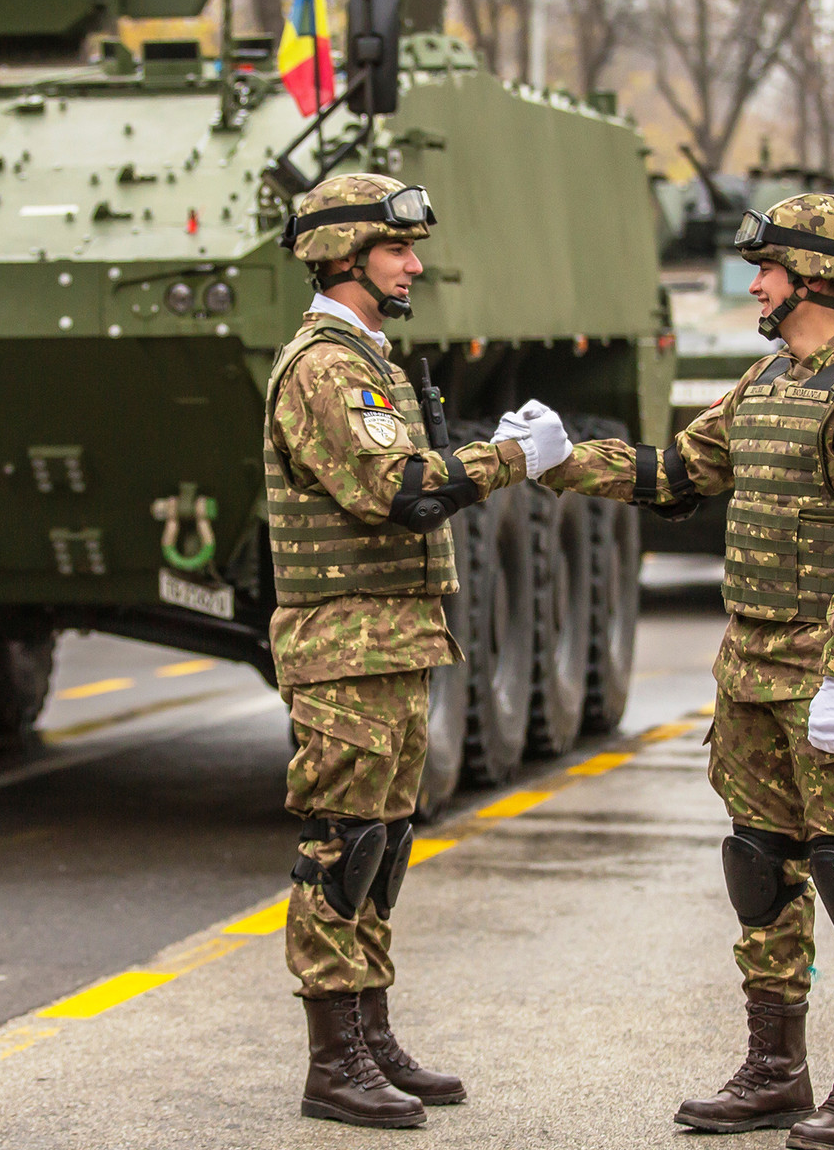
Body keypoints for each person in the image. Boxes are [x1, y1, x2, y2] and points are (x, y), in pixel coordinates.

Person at [525, 194, 834, 1150]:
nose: (752, 284)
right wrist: (560, 460)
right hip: (750, 666)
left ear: (815, 277)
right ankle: (775, 1071)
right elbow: (675, 475)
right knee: (761, 866)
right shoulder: (765, 384)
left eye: (767, 270)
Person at [266, 173, 553, 1128]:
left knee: (382, 846)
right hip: (344, 641)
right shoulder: (326, 365)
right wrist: (507, 456)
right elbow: (398, 489)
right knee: (340, 846)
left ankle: (371, 1035)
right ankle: (331, 1059)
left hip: (386, 636)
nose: (414, 264)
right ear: (345, 257)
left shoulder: (370, 358)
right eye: (396, 251)